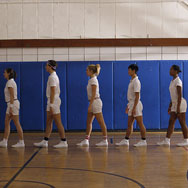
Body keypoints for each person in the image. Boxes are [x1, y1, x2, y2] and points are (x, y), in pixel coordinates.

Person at [34, 60, 68, 148]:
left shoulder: (52, 77)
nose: (45, 67)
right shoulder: (52, 76)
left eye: (46, 65)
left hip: (54, 100)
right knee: (48, 121)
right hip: (51, 100)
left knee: (58, 121)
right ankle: (45, 141)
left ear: (50, 66)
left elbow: (53, 91)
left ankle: (64, 141)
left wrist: (52, 104)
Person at [77, 64, 108, 147]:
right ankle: (86, 140)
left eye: (87, 70)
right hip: (93, 102)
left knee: (101, 122)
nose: (86, 71)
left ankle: (105, 140)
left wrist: (90, 105)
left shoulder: (93, 80)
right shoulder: (91, 80)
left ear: (91, 71)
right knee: (88, 122)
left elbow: (94, 93)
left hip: (95, 102)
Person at [116, 64, 147, 147]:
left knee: (140, 123)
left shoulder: (136, 81)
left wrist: (134, 107)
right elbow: (131, 96)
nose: (128, 71)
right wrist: (128, 105)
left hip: (136, 104)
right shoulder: (132, 81)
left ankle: (143, 140)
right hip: (131, 103)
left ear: (134, 71)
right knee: (129, 124)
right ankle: (126, 140)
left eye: (129, 70)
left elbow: (137, 96)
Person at [157, 65, 188, 146]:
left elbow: (179, 96)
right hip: (175, 103)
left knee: (182, 122)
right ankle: (167, 140)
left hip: (180, 103)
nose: (170, 71)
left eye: (171, 69)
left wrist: (178, 108)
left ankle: (186, 140)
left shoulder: (178, 81)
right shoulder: (172, 81)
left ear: (176, 71)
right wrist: (170, 106)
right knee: (171, 122)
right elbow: (173, 96)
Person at [0, 68, 24, 148]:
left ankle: (21, 142)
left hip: (12, 104)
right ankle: (4, 141)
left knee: (16, 123)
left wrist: (11, 107)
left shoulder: (10, 82)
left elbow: (12, 95)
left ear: (9, 73)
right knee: (6, 122)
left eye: (5, 72)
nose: (4, 73)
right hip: (11, 104)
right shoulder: (9, 82)